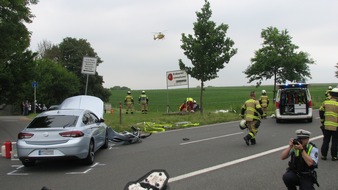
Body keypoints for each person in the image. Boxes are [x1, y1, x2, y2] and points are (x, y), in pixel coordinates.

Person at [319, 87, 338, 161]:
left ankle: (324, 155)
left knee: (326, 141)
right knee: (335, 141)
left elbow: (321, 112)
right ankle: (334, 156)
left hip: (326, 125)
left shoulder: (325, 102)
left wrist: (322, 121)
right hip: (336, 127)